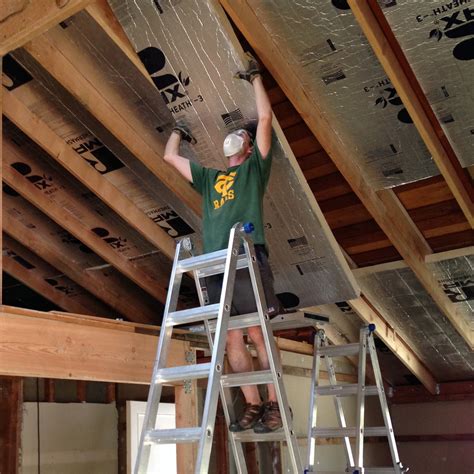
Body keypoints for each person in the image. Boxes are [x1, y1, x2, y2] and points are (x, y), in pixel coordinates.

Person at [163, 54, 282, 433]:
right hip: (216, 265)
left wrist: (255, 79)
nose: (238, 135)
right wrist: (179, 130)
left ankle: (276, 405)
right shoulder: (210, 178)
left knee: (258, 333)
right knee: (231, 338)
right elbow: (169, 156)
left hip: (246, 258)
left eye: (243, 135)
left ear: (247, 147)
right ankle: (252, 405)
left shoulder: (254, 169)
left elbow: (265, 119)